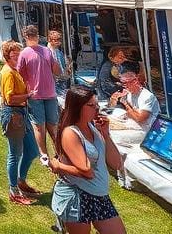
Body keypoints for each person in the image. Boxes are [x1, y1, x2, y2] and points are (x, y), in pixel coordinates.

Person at [48, 86, 127, 234]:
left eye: (97, 105)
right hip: (76, 196)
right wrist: (58, 166)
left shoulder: (94, 127)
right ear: (77, 107)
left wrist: (106, 135)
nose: (96, 109)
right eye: (91, 105)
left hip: (99, 194)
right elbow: (87, 171)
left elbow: (117, 163)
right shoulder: (70, 133)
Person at [0, 40, 41, 205]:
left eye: (19, 53)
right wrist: (29, 95)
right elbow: (10, 98)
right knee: (14, 154)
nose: (17, 56)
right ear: (7, 56)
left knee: (31, 151)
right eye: (14, 54)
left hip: (21, 113)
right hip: (13, 114)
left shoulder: (16, 70)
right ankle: (14, 190)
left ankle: (20, 181)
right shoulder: (8, 72)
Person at [18, 25, 62, 160]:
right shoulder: (46, 51)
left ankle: (44, 154)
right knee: (52, 126)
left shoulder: (24, 53)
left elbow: (20, 74)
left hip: (36, 94)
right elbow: (57, 71)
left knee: (39, 127)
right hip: (48, 93)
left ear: (25, 37)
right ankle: (58, 152)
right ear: (37, 36)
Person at [48, 29, 72, 96]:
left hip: (61, 80)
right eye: (55, 40)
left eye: (59, 39)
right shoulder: (48, 52)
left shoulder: (58, 51)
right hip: (55, 81)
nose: (57, 41)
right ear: (50, 40)